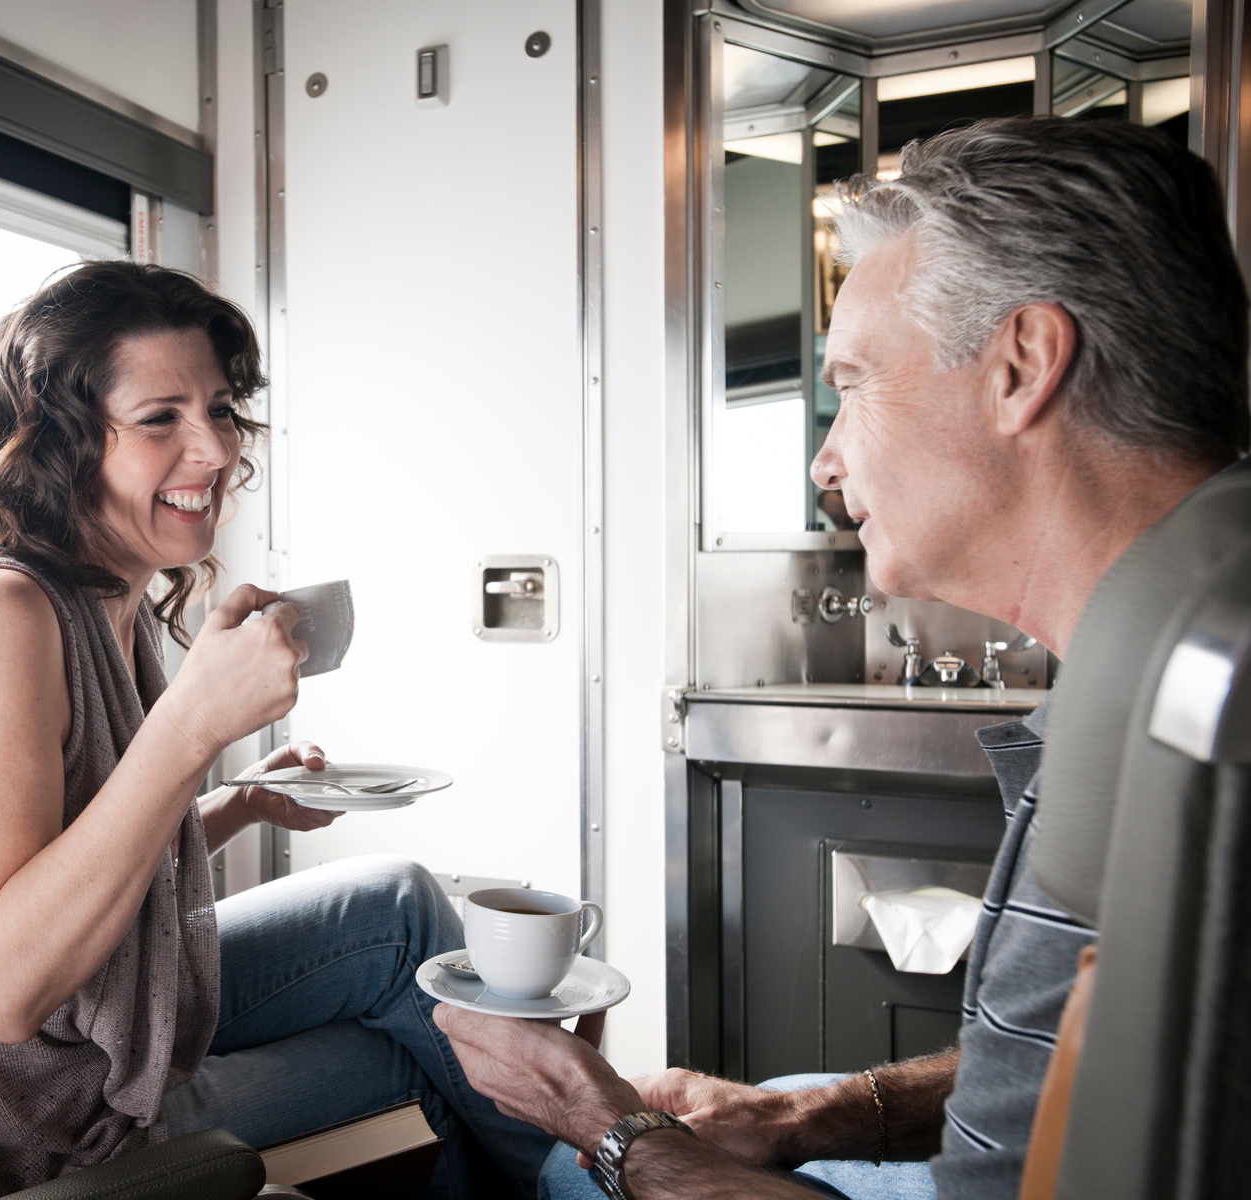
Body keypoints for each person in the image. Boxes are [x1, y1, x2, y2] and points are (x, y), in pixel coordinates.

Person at [434, 115, 1249, 1200]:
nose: (825, 458)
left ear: (1022, 364)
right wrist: (809, 1114)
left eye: (855, 381)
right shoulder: (1163, 642)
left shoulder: (1173, 712)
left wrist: (614, 1133)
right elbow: (1071, 1068)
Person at [0, 261, 552, 1200]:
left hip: (84, 1041)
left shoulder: (105, 604)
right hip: (26, 1135)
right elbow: (3, 988)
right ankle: (611, 1165)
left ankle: (609, 1148)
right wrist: (192, 724)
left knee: (399, 906)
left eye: (219, 410)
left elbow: (75, 857)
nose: (211, 451)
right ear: (63, 443)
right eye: (161, 418)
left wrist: (236, 803)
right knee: (414, 1065)